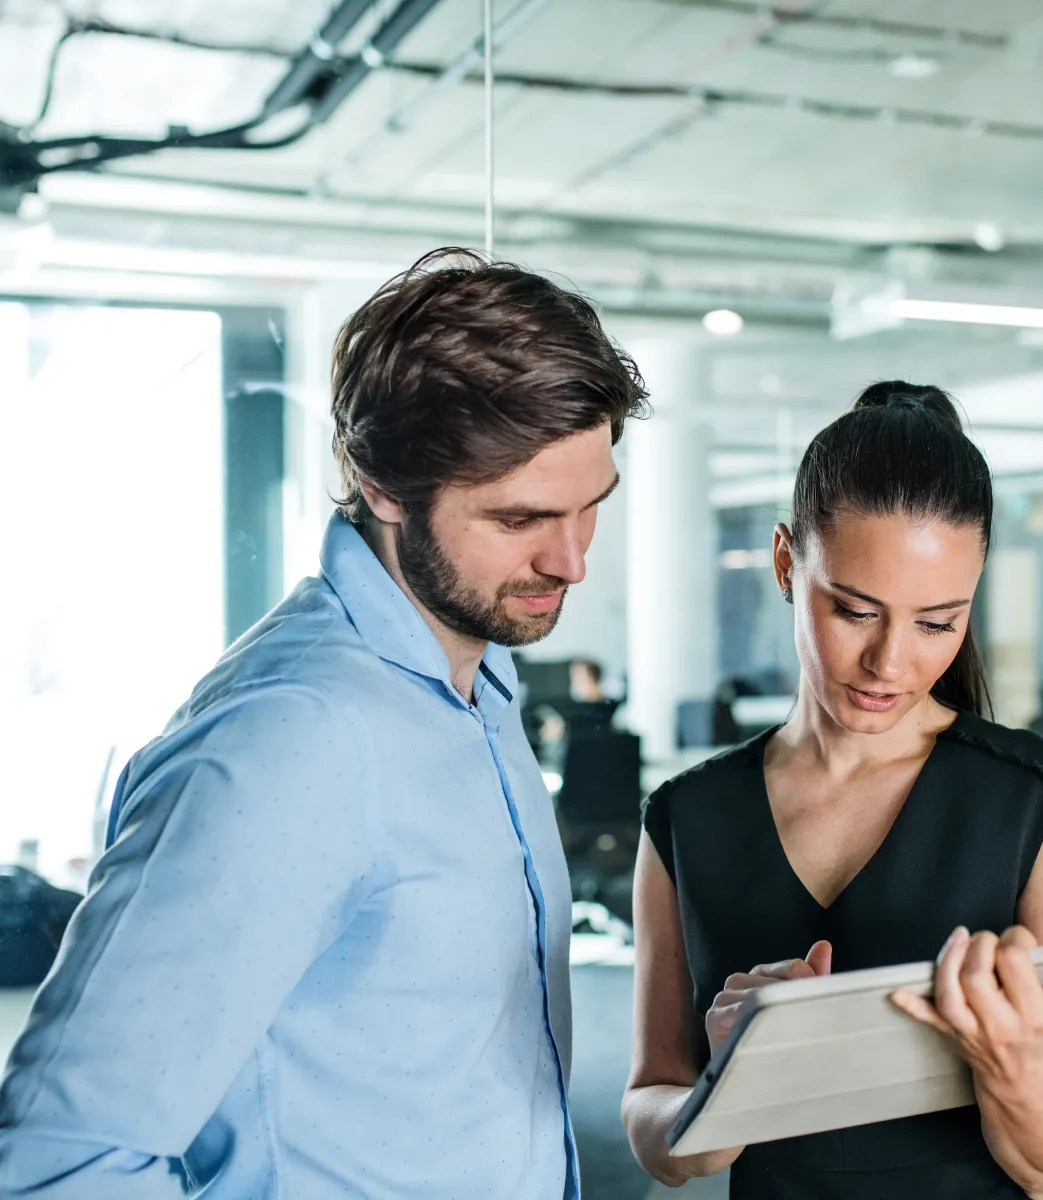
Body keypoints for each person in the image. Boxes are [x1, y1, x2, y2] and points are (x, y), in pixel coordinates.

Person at [0, 248, 646, 1198]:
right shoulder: (291, 741)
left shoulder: (483, 683)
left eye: (590, 507)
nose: (572, 562)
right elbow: (63, 1158)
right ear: (384, 486)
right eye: (518, 521)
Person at [623, 383, 1043, 1200]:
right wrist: (730, 1081)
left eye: (937, 622)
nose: (890, 663)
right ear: (787, 563)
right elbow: (657, 1128)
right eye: (855, 611)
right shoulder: (687, 818)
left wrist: (1012, 1064)